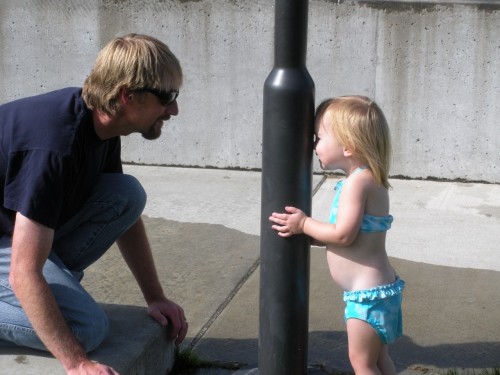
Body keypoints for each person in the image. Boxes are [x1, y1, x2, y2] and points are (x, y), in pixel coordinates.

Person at [0, 33, 188, 374]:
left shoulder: (101, 126)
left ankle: (40, 294)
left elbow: (124, 218)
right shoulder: (53, 146)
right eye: (167, 97)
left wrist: (155, 297)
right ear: (128, 96)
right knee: (85, 329)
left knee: (126, 194)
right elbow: (24, 270)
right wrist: (77, 363)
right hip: (5, 242)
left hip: (10, 233)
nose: (173, 109)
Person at [269, 96, 405, 375]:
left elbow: (343, 235)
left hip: (366, 296)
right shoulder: (368, 178)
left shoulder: (357, 183)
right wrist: (312, 234)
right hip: (380, 290)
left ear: (348, 146)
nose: (315, 145)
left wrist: (304, 224)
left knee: (362, 363)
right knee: (379, 361)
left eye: (319, 138)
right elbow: (353, 236)